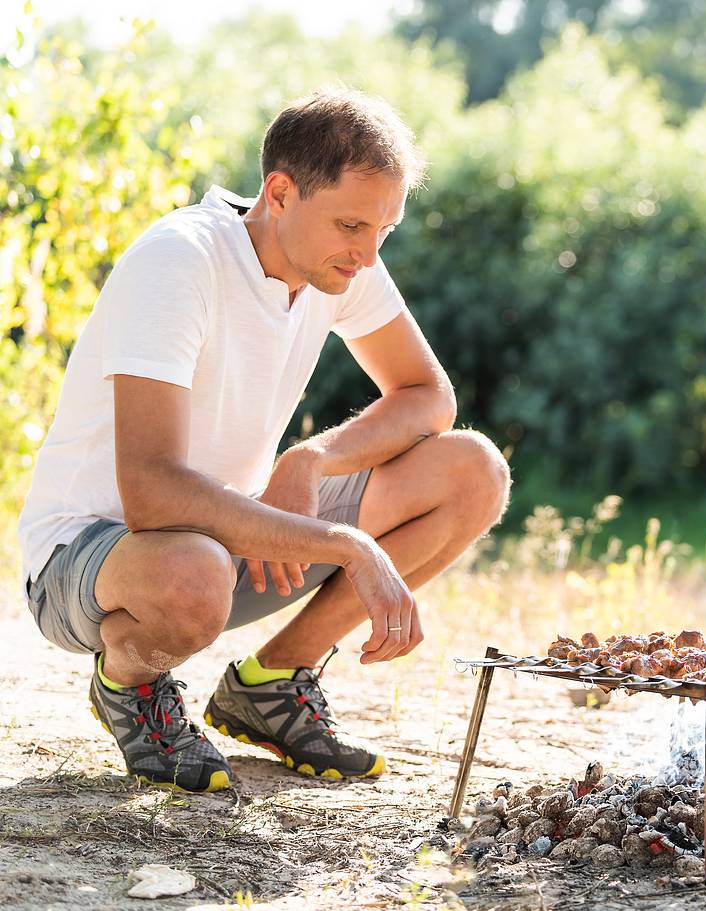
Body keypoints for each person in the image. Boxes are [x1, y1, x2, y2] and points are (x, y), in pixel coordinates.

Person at [16, 88, 511, 792]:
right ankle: (129, 681)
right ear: (279, 193)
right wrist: (344, 543)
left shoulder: (338, 261)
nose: (368, 255)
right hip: (93, 558)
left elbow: (429, 396)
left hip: (225, 541)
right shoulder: (179, 261)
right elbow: (153, 494)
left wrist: (311, 459)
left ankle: (272, 682)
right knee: (192, 573)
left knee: (474, 471)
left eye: (384, 230)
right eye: (351, 225)